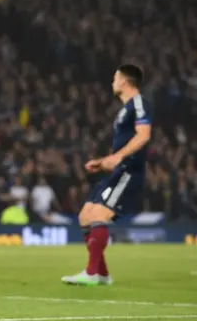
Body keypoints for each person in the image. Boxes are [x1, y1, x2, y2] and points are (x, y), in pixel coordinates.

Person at [61, 64, 152, 286]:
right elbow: (125, 144)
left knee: (98, 216)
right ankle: (101, 273)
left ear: (123, 81)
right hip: (118, 170)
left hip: (129, 172)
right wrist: (104, 162)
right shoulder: (125, 109)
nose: (112, 83)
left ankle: (92, 273)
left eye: (114, 78)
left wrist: (118, 158)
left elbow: (144, 135)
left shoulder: (139, 103)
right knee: (85, 215)